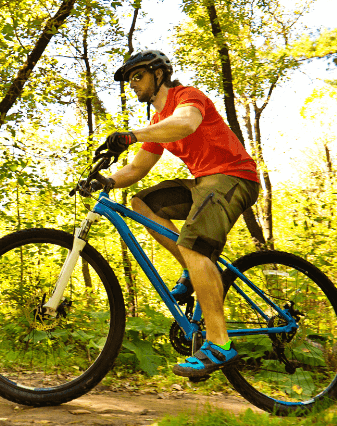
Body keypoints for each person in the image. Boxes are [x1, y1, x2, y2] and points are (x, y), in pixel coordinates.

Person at [77, 50, 260, 378]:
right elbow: (136, 168)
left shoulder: (186, 98)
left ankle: (219, 344)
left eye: (138, 76)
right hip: (203, 183)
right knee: (142, 203)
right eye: (129, 80)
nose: (132, 85)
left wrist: (132, 135)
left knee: (194, 246)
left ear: (158, 74)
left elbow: (186, 123)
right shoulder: (157, 123)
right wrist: (103, 179)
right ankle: (193, 272)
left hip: (233, 177)